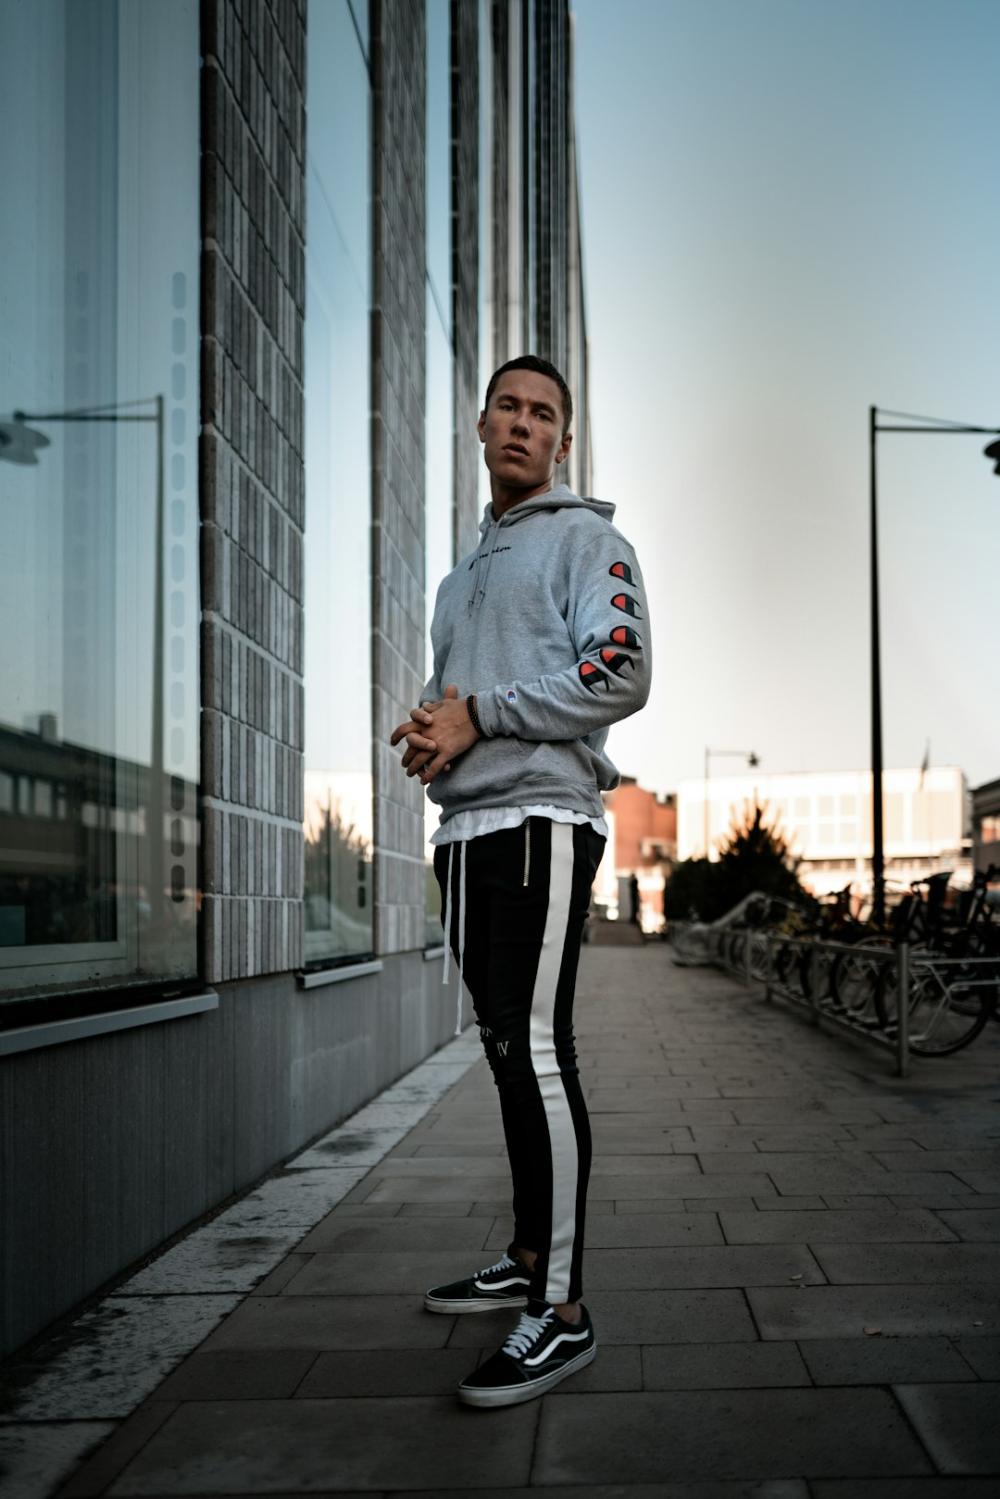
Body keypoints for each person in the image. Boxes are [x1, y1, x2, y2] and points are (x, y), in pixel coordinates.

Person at [390, 354, 650, 1408]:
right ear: (482, 421)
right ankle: (530, 1252)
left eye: (543, 413)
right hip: (465, 831)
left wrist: (482, 715)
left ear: (563, 440)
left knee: (539, 1052)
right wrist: (429, 725)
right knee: (505, 1056)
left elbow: (619, 670)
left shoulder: (590, 542)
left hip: (544, 822)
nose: (522, 423)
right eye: (508, 405)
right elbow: (453, 693)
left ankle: (564, 1310)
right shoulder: (460, 578)